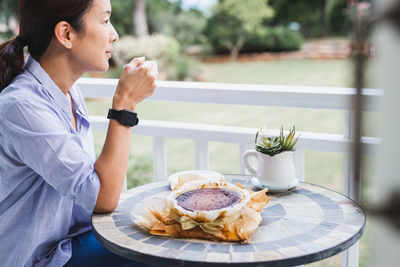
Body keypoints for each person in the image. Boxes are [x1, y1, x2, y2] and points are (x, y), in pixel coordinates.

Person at [0, 0, 156, 266]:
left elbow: (93, 189)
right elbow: (103, 197)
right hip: (41, 259)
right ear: (66, 34)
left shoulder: (69, 92)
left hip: (74, 239)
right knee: (156, 251)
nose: (114, 33)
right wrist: (124, 106)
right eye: (105, 20)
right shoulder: (23, 107)